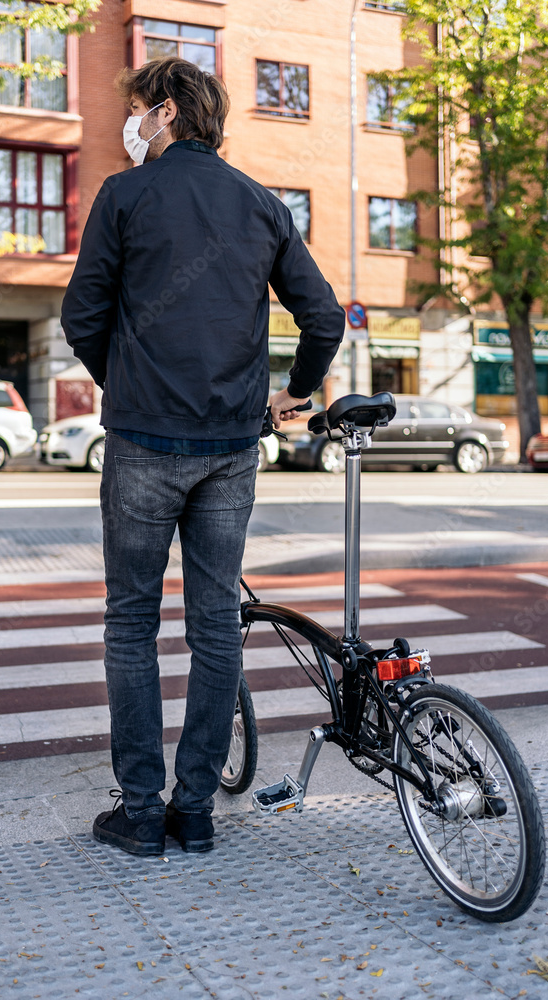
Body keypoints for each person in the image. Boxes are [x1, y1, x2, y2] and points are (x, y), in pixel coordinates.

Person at [61, 56, 345, 857]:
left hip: (145, 443)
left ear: (164, 114)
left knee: (131, 625)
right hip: (231, 447)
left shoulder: (125, 195)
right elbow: (321, 317)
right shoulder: (261, 203)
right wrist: (294, 392)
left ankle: (140, 812)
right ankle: (196, 811)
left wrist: (127, 382)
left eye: (138, 111)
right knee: (216, 628)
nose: (133, 125)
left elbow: (82, 313)